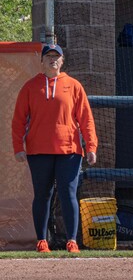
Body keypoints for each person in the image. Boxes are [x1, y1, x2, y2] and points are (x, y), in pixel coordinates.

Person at [12, 43, 98, 253]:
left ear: (62, 61)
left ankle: (72, 241)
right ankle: (42, 241)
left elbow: (86, 119)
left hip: (69, 150)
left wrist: (91, 146)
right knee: (42, 194)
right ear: (41, 61)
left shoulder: (74, 85)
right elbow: (18, 120)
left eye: (56, 56)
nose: (52, 60)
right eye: (48, 56)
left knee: (69, 194)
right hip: (38, 150)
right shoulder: (30, 86)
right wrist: (18, 147)